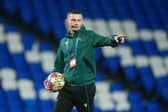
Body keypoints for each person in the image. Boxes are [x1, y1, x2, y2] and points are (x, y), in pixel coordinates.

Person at [44, 9, 126, 112]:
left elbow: (105, 40)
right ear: (67, 21)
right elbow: (58, 66)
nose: (76, 23)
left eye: (79, 20)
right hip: (66, 88)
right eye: (73, 20)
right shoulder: (64, 42)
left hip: (85, 88)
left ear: (82, 22)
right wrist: (51, 80)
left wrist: (114, 39)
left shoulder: (89, 36)